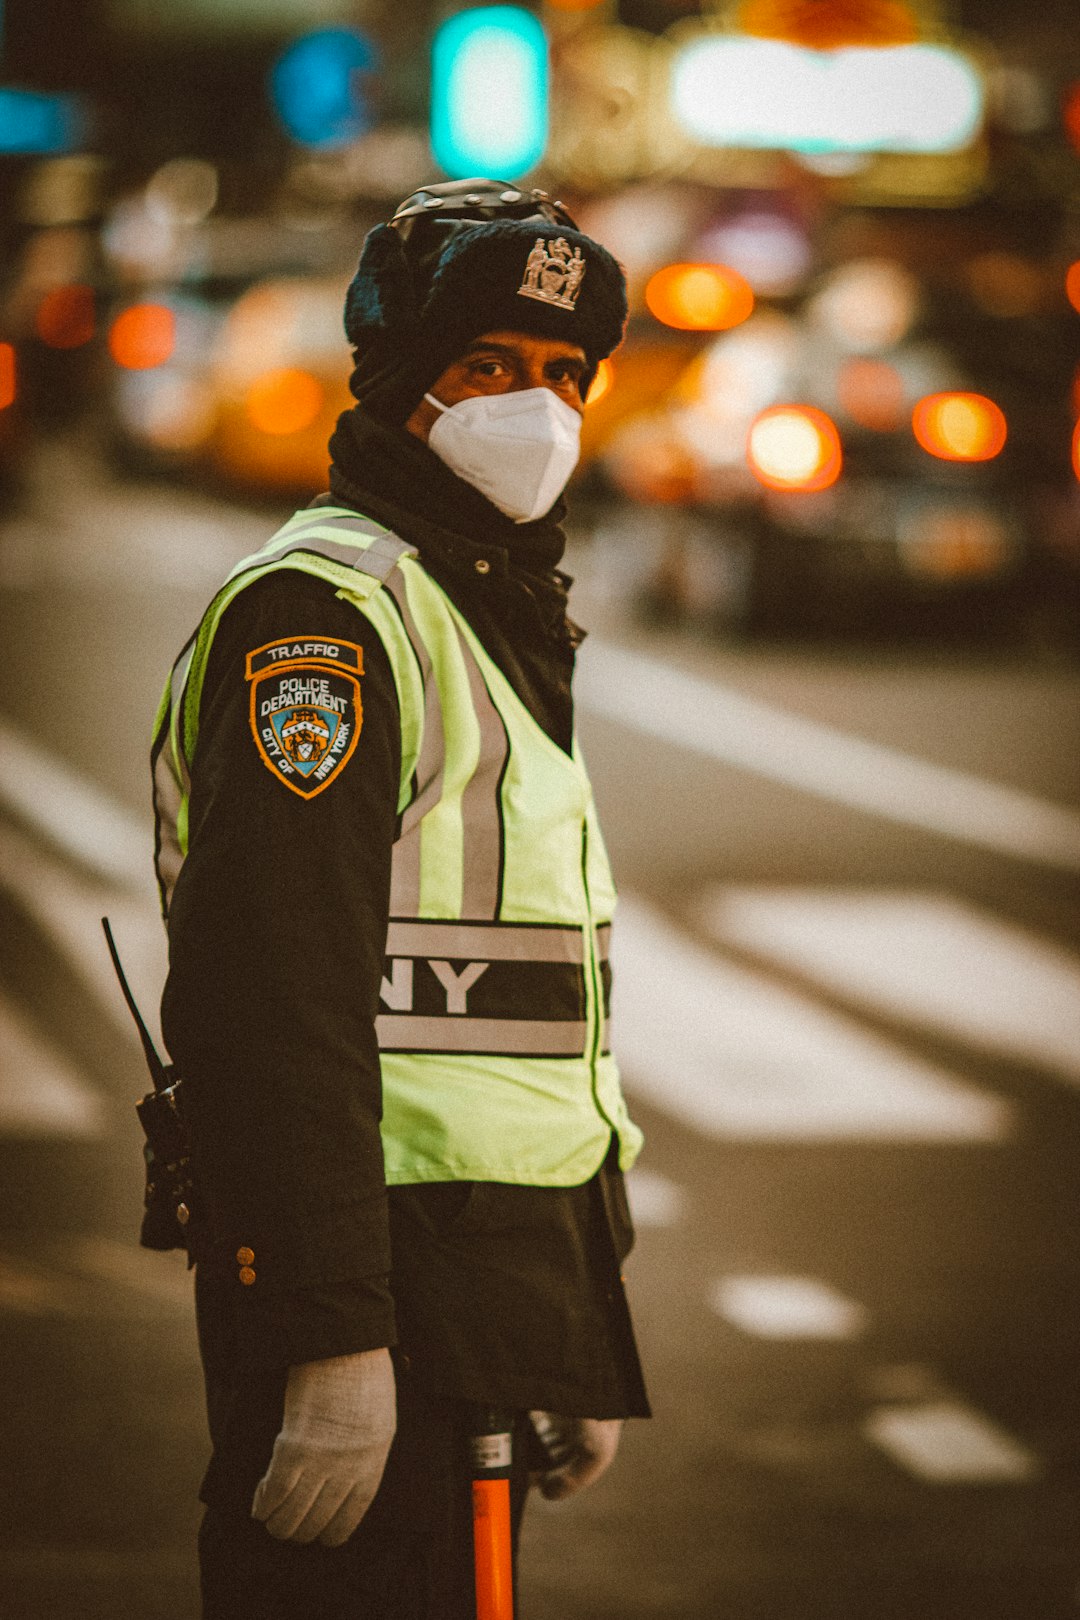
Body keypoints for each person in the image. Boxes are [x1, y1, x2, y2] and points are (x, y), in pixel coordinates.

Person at [152, 178, 650, 1620]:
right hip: (371, 1281)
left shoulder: (481, 595)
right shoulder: (327, 617)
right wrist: (324, 1341)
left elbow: (528, 1014)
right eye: (487, 368)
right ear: (399, 386)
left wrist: (576, 1322)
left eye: (565, 375)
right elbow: (271, 999)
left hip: (489, 1277)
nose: (537, 408)